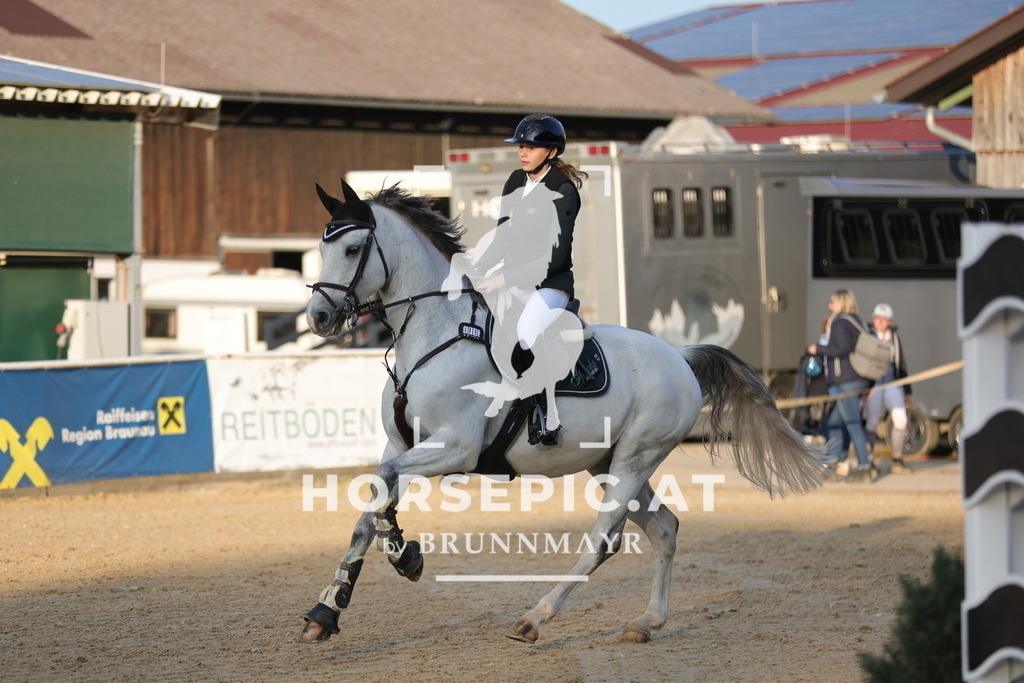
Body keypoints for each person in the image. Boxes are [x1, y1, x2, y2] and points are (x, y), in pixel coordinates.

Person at [453, 114, 587, 445]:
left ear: (552, 152)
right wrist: (477, 269)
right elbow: (503, 235)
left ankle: (546, 412)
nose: (523, 152)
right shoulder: (515, 180)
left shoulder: (563, 191)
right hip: (511, 281)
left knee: (527, 331)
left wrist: (504, 278)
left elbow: (553, 258)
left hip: (549, 286)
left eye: (531, 147)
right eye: (521, 146)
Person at [806, 289, 874, 482]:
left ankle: (864, 468)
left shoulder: (840, 322)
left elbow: (841, 348)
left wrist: (817, 348)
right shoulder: (856, 320)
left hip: (846, 380)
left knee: (853, 424)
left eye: (832, 302)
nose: (829, 306)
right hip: (854, 378)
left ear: (840, 303)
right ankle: (835, 462)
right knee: (835, 421)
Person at [863, 303, 912, 474]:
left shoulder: (894, 337)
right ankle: (869, 461)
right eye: (878, 319)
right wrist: (865, 389)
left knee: (901, 420)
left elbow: (901, 362)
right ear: (873, 319)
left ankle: (897, 459)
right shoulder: (867, 335)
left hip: (892, 383)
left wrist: (907, 390)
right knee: (872, 423)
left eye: (884, 320)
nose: (881, 323)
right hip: (873, 385)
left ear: (889, 322)